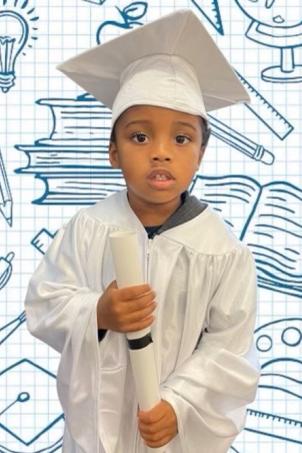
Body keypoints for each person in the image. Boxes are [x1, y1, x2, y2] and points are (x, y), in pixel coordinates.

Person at [25, 9, 260, 453]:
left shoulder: (224, 252)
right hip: (96, 432)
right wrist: (97, 312)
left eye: (181, 139)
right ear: (112, 151)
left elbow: (231, 350)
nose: (161, 153)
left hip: (173, 434)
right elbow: (43, 304)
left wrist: (180, 402)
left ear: (201, 155)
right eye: (139, 137)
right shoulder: (87, 228)